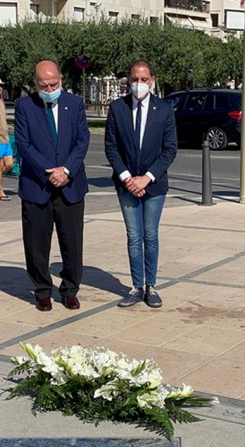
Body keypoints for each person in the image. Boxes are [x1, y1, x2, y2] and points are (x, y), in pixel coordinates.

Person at [15, 60, 90, 312]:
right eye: (44, 85)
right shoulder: (25, 106)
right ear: (35, 84)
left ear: (61, 79)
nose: (49, 89)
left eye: (54, 84)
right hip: (38, 185)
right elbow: (24, 145)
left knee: (72, 243)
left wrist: (66, 170)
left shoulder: (75, 104)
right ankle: (42, 290)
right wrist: (49, 172)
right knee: (36, 243)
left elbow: (82, 141)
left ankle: (70, 289)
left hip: (70, 185)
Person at [104, 60, 177, 309]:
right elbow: (111, 149)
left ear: (152, 80)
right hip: (126, 185)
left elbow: (169, 150)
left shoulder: (164, 109)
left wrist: (147, 177)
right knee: (134, 236)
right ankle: (136, 286)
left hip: (154, 185)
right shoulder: (117, 109)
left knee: (150, 234)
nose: (139, 84)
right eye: (134, 79)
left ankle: (151, 286)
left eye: (144, 79)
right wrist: (127, 178)